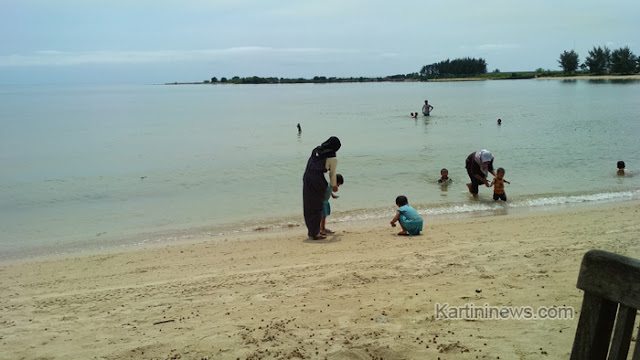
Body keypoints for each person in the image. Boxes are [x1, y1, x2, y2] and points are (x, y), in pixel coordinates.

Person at [302, 136, 341, 240]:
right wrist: (334, 187)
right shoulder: (332, 158)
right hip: (317, 181)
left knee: (308, 205)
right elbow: (332, 175)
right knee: (317, 206)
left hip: (307, 177)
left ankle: (312, 231)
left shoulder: (316, 150)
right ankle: (316, 233)